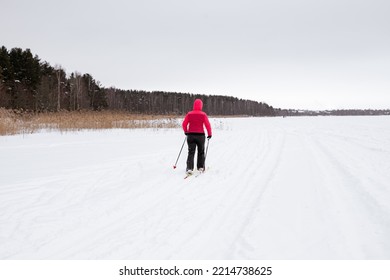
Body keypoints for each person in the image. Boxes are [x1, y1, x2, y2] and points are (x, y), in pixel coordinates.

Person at [182, 99, 212, 174]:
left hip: (191, 135)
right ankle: (201, 167)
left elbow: (184, 124)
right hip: (200, 136)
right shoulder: (203, 114)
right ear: (201, 106)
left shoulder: (189, 114)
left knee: (191, 152)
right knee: (201, 152)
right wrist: (209, 134)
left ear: (194, 105)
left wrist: (186, 131)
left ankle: (189, 168)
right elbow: (207, 125)